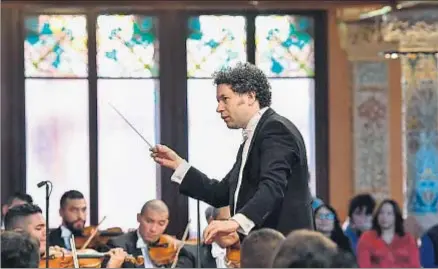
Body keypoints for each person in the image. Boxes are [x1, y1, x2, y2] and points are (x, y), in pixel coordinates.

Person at [151, 62, 313, 244]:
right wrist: (179, 165)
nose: (219, 108)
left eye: (225, 99)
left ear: (250, 96)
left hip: (285, 250)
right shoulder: (254, 137)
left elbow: (273, 187)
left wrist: (235, 222)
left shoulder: (275, 129)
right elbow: (221, 193)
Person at [4, 203, 126, 268]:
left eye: (46, 227)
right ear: (18, 233)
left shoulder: (54, 259)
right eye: (38, 228)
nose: (46, 233)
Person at [106, 199, 191, 268]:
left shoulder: (172, 248)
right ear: (139, 218)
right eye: (149, 221)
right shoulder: (117, 244)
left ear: (166, 223)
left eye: (161, 224)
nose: (154, 229)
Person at [356, 199, 421, 268]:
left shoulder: (408, 239)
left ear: (396, 216)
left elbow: (415, 265)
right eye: (381, 213)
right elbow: (364, 265)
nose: (384, 217)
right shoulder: (367, 238)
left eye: (389, 213)